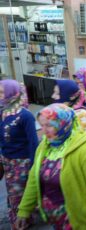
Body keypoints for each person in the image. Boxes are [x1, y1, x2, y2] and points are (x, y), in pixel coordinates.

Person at [15, 103, 86, 229]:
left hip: (79, 221)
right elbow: (33, 180)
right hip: (54, 218)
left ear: (62, 124)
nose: (44, 131)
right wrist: (23, 211)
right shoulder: (44, 146)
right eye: (42, 125)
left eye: (49, 125)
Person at [0, 80, 38, 229]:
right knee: (13, 193)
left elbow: (33, 143)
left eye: (2, 92)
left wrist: (34, 167)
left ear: (12, 93)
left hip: (22, 163)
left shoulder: (25, 116)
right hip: (7, 161)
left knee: (20, 194)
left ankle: (22, 221)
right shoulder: (2, 112)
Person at [52, 79, 86, 149]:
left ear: (69, 97)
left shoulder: (81, 114)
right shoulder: (62, 111)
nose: (53, 96)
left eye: (57, 94)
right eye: (54, 92)